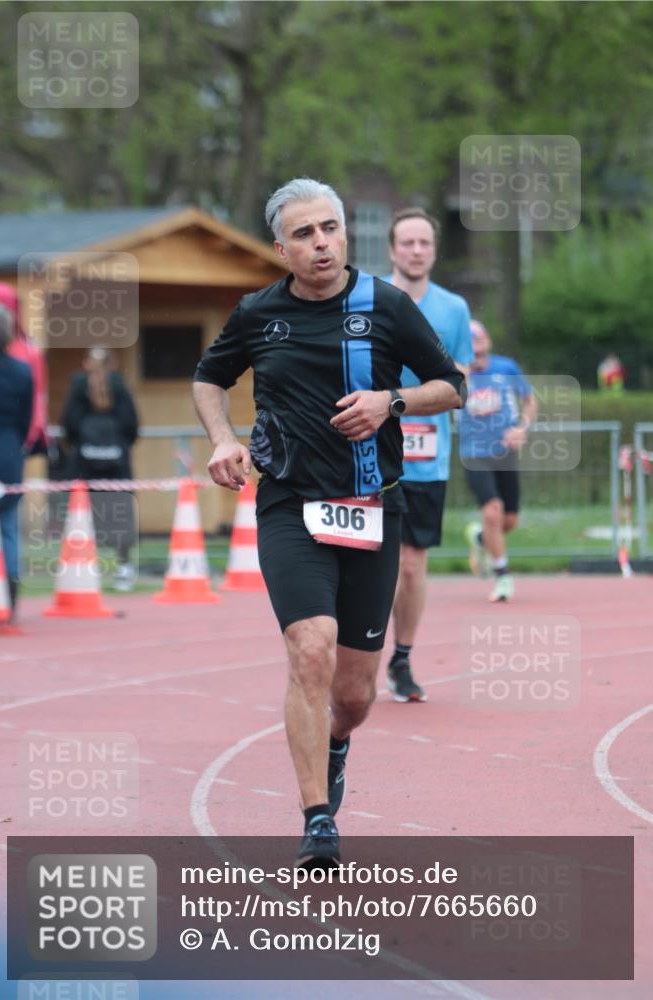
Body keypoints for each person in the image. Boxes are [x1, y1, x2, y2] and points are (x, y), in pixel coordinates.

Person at [193, 178, 465, 868]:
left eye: (329, 229)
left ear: (346, 233)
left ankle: (338, 741)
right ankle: (317, 820)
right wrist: (223, 439)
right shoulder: (256, 313)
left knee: (354, 693)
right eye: (304, 234)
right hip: (289, 505)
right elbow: (208, 378)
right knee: (308, 646)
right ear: (281, 248)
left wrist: (389, 401)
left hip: (374, 507)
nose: (320, 243)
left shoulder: (386, 304)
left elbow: (450, 385)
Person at [384, 208, 473, 702]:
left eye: (424, 243)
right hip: (370, 451)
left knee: (412, 566)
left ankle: (401, 657)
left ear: (434, 250)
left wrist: (420, 394)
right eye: (407, 243)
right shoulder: (368, 295)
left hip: (427, 457)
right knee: (367, 563)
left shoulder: (454, 308)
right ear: (393, 249)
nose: (416, 251)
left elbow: (459, 375)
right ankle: (352, 655)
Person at [460, 320, 537, 602]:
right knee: (492, 510)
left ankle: (480, 538)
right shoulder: (457, 374)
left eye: (480, 350)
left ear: (488, 344)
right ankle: (502, 575)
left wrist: (522, 427)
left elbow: (529, 401)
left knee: (509, 520)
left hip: (504, 451)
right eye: (471, 353)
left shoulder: (506, 368)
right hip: (473, 453)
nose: (476, 359)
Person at [60, 348, 139, 591]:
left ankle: (83, 570)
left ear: (86, 364)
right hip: (117, 466)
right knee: (120, 515)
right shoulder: (121, 386)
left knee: (82, 516)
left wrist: (85, 444)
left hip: (84, 465)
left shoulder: (77, 386)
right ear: (113, 364)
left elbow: (68, 424)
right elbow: (132, 425)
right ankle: (124, 569)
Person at [0, 303, 34, 618]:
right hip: (7, 451)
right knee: (6, 526)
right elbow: (25, 418)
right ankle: (10, 595)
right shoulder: (22, 370)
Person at [0, 282, 49, 456]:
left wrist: (31, 434)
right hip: (10, 438)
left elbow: (37, 395)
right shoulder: (29, 350)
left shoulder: (30, 350)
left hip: (14, 435)